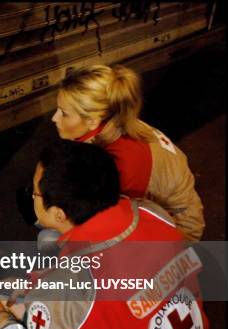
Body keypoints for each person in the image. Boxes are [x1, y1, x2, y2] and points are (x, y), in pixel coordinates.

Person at [0, 140, 210, 329]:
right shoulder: (154, 215)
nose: (31, 196)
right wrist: (42, 286)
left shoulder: (73, 292)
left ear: (58, 214)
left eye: (33, 193)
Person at [51, 64, 205, 240]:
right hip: (157, 212)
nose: (54, 118)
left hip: (178, 236)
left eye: (63, 113)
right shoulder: (116, 121)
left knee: (52, 237)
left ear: (93, 121)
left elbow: (107, 224)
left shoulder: (121, 165)